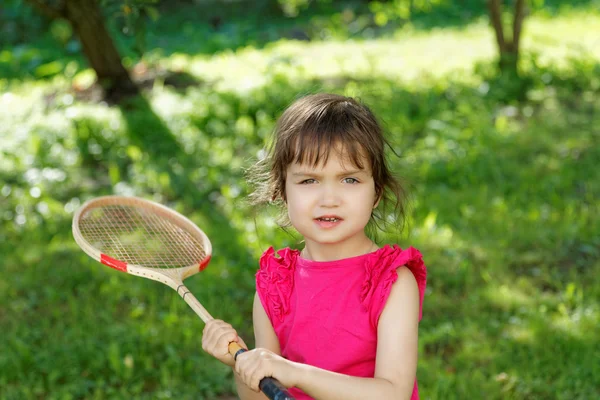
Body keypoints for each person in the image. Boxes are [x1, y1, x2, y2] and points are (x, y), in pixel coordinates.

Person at [202, 93, 427, 400]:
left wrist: (296, 373)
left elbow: (393, 393)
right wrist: (241, 363)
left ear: (376, 192)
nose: (328, 198)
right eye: (309, 181)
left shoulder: (392, 282)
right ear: (282, 191)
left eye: (349, 179)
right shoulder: (275, 286)